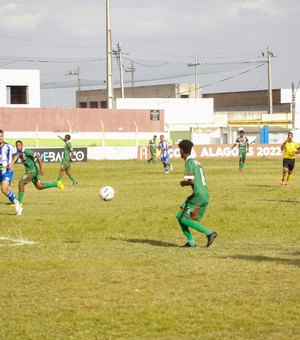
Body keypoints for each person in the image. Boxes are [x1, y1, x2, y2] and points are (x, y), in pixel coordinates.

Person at [176, 139, 217, 248]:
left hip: (199, 195)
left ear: (182, 151)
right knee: (179, 216)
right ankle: (191, 242)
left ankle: (209, 233)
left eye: (179, 150)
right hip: (202, 193)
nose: (179, 153)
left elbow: (191, 181)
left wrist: (183, 183)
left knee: (184, 219)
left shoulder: (189, 163)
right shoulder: (196, 162)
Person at [8, 140, 65, 214]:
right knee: (39, 186)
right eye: (17, 146)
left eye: (19, 145)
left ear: (22, 145)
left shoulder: (27, 151)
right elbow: (17, 156)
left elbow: (38, 156)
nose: (18, 147)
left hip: (32, 171)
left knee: (21, 184)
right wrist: (11, 164)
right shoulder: (20, 152)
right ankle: (57, 184)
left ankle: (19, 203)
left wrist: (41, 168)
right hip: (32, 170)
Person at [0, 129, 23, 215]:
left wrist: (12, 163)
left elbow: (17, 154)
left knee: (3, 189)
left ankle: (17, 204)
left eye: (1, 136)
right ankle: (18, 206)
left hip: (7, 171)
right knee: (7, 190)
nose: (0, 138)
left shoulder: (8, 146)